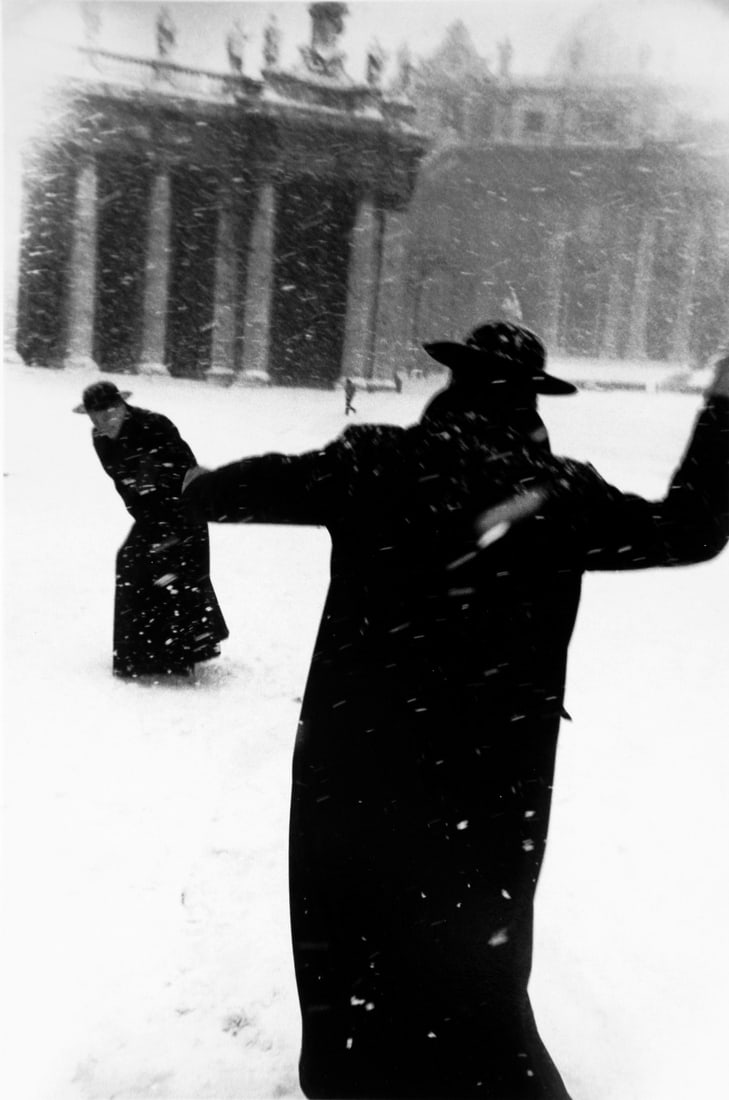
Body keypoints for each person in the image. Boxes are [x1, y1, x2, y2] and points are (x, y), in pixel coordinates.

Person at [181, 322, 729, 1100]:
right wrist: (721, 411)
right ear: (530, 402)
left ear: (452, 385)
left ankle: (354, 1072)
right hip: (492, 764)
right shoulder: (562, 494)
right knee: (476, 942)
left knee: (351, 920)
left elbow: (222, 495)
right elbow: (691, 529)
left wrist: (193, 482)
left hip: (359, 747)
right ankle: (485, 1074)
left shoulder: (371, 460)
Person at [75, 380, 228, 679]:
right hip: (149, 514)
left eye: (107, 416)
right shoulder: (100, 439)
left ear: (122, 408)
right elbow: (123, 485)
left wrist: (168, 518)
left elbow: (187, 471)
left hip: (183, 509)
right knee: (131, 561)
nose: (101, 424)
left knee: (173, 569)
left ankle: (180, 653)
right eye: (95, 419)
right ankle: (137, 656)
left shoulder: (155, 425)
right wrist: (147, 514)